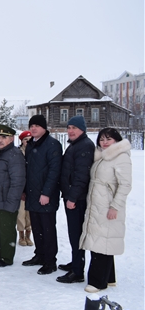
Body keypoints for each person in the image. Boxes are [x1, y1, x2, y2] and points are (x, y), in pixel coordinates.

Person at [80, 128, 132, 293]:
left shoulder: (121, 157)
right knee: (103, 239)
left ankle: (97, 282)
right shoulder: (103, 157)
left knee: (102, 242)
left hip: (108, 206)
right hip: (97, 204)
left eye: (108, 139)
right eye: (102, 139)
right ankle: (109, 278)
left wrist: (115, 207)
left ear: (116, 140)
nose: (104, 142)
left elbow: (125, 185)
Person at [56, 116, 95, 284]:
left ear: (83, 129)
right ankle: (76, 262)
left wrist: (72, 197)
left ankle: (77, 272)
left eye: (74, 128)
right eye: (69, 127)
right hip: (72, 196)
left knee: (76, 234)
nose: (70, 131)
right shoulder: (76, 145)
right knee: (74, 234)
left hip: (77, 199)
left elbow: (81, 176)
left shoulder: (84, 146)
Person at [22, 114, 62, 275]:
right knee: (37, 227)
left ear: (44, 128)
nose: (33, 128)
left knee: (47, 229)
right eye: (31, 126)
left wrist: (46, 193)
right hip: (32, 193)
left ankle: (50, 261)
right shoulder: (31, 145)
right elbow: (27, 170)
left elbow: (54, 171)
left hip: (46, 196)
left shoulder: (53, 145)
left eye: (37, 126)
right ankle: (39, 255)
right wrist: (25, 190)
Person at [0, 125, 26, 267]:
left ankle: (7, 257)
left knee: (7, 230)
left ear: (12, 139)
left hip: (6, 200)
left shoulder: (14, 155)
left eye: (4, 137)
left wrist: (11, 202)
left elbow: (18, 181)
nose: (0, 140)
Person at [17, 130, 33, 247]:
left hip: (32, 189)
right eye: (25, 140)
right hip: (21, 188)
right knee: (21, 214)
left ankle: (28, 236)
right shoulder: (18, 154)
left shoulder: (35, 152)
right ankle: (21, 236)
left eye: (29, 139)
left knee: (30, 215)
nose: (27, 142)